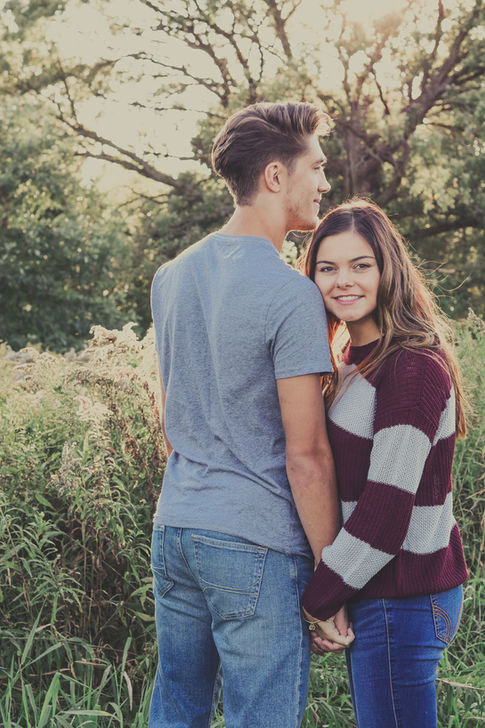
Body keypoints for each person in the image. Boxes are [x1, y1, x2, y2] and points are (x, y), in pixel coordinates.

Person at [149, 102, 354, 728]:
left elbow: (171, 420)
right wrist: (331, 584)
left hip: (175, 528)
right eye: (317, 168)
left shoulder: (171, 276)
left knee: (176, 708)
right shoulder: (291, 293)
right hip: (256, 543)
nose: (324, 183)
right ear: (274, 175)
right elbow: (306, 456)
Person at [301, 199, 469, 727]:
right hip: (377, 590)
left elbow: (385, 513)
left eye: (360, 265)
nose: (343, 281)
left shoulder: (410, 367)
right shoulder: (351, 361)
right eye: (327, 268)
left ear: (387, 269)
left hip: (405, 597)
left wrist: (319, 599)